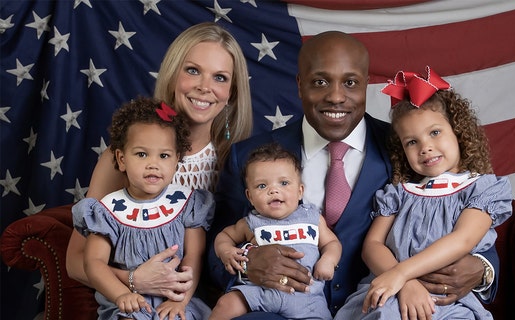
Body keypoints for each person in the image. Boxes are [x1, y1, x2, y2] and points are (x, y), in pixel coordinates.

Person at [210, 31, 500, 319]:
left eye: (350, 83)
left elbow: (456, 218)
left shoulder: (408, 147)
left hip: (387, 301)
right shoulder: (250, 156)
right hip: (281, 306)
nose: (336, 97)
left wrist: (481, 268)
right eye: (320, 82)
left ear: (365, 85)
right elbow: (211, 252)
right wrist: (247, 262)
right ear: (300, 86)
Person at [66, 22, 253, 302]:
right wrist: (135, 280)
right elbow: (75, 263)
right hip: (136, 302)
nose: (205, 87)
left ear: (232, 93)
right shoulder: (125, 158)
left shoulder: (237, 159)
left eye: (220, 78)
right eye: (193, 71)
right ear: (172, 75)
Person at [333, 68, 512, 320]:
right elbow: (372, 245)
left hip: (448, 298)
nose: (425, 147)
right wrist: (402, 280)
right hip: (392, 292)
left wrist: (403, 272)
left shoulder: (481, 189)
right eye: (412, 142)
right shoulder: (399, 193)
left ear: (458, 133)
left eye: (435, 133)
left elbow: (463, 240)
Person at [72, 97, 214, 319]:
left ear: (177, 160)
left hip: (176, 300)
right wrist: (121, 295)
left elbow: (194, 257)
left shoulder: (187, 203)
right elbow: (94, 262)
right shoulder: (108, 211)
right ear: (121, 159)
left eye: (164, 155)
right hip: (130, 302)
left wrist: (181, 301)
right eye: (141, 154)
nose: (153, 164)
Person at [209, 142, 342, 320]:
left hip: (305, 297)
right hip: (258, 290)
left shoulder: (312, 218)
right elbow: (224, 236)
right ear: (250, 196)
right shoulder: (250, 222)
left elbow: (331, 243)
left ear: (300, 191)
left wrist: (328, 260)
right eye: (262, 186)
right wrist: (226, 251)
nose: (274, 190)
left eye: (284, 183)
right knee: (225, 304)